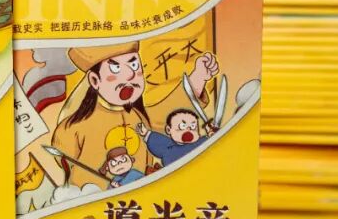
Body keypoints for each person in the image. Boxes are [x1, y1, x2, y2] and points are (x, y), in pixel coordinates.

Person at [51, 42, 218, 187]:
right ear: (95, 80)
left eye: (134, 65)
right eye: (116, 68)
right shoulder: (75, 127)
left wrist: (198, 78)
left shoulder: (140, 117)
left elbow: (171, 114)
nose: (130, 75)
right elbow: (63, 158)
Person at [135, 109, 218, 167]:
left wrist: (210, 134)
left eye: (193, 126)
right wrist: (146, 133)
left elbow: (207, 142)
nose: (188, 129)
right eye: (182, 126)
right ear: (168, 130)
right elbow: (156, 140)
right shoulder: (169, 147)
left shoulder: (199, 142)